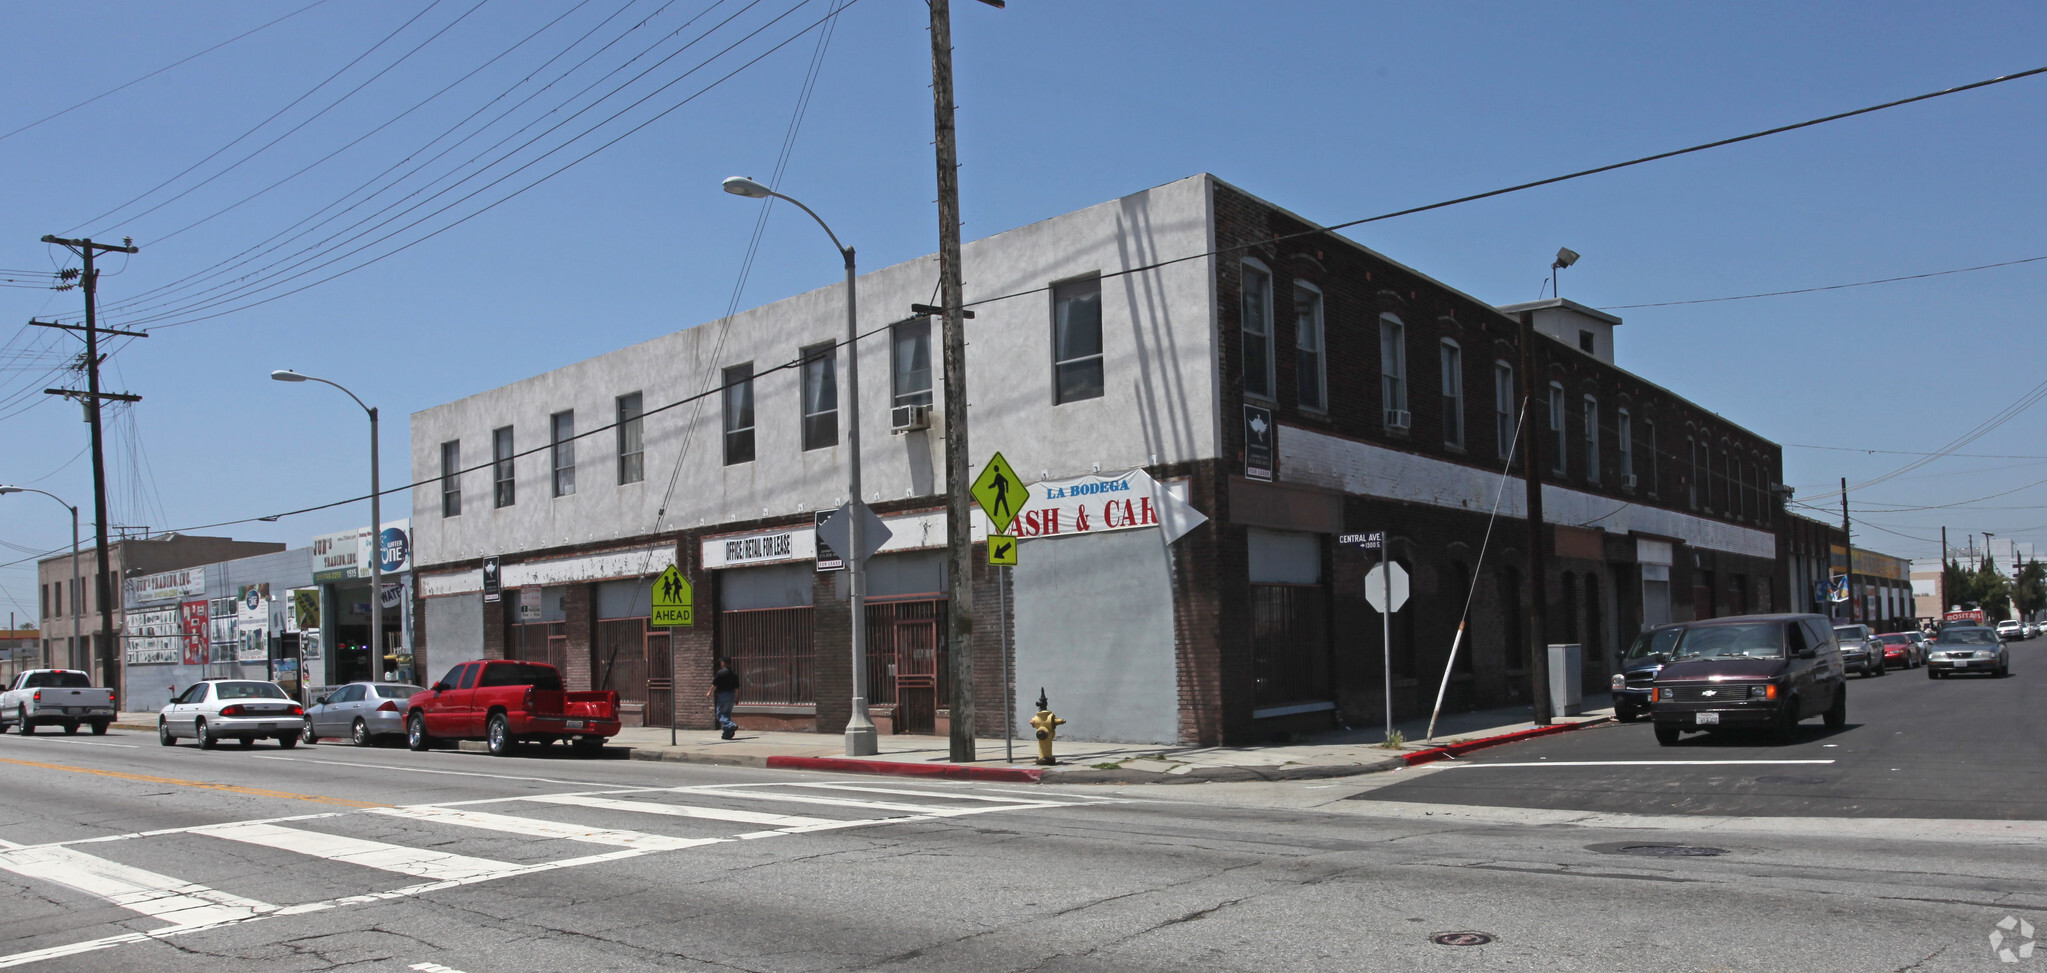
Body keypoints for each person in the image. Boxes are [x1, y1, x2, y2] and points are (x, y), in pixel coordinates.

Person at [707, 661, 740, 740]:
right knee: (726, 715)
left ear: (723, 663)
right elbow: (736, 688)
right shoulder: (734, 674)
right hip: (731, 695)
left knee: (720, 714)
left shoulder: (721, 673)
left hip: (723, 695)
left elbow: (715, 684)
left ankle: (730, 725)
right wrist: (736, 697)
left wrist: (709, 692)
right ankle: (727, 733)